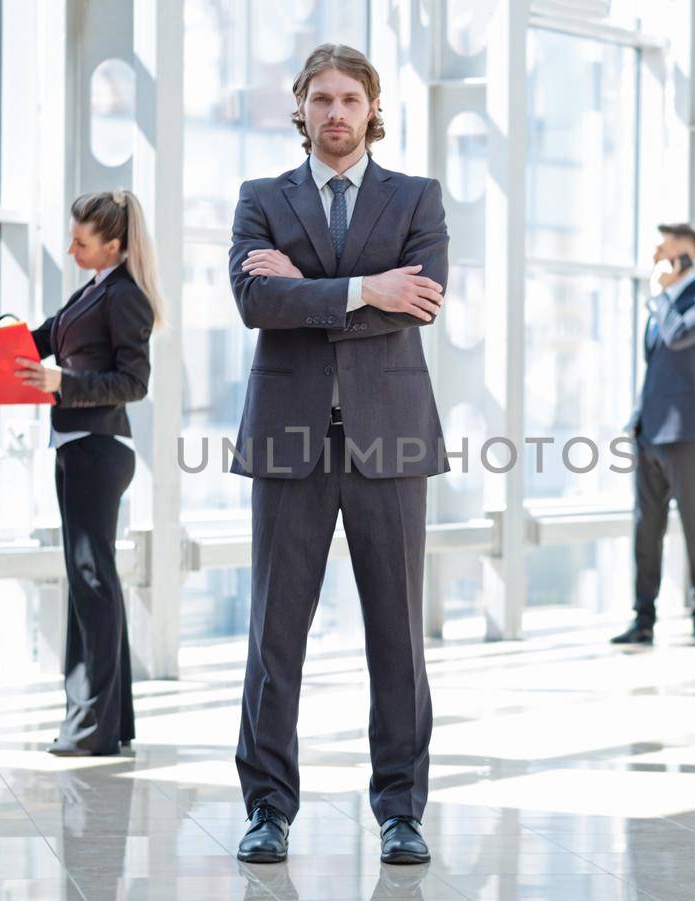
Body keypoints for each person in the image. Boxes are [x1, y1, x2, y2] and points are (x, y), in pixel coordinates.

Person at [228, 43, 447, 866]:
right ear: (300, 107)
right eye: (320, 98)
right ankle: (268, 809)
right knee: (274, 635)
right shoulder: (261, 198)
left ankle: (400, 809)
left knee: (397, 637)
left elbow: (418, 302)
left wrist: (309, 288)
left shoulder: (417, 198)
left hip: (391, 436)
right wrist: (364, 286)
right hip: (289, 437)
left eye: (349, 98)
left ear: (372, 107)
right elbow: (255, 300)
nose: (335, 113)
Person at [14, 191, 158, 755]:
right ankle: (105, 722)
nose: (71, 249)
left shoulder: (126, 298)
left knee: (92, 581)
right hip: (77, 446)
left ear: (114, 246)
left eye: (81, 242)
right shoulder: (91, 291)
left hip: (98, 449)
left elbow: (134, 382)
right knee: (90, 581)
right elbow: (42, 338)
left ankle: (92, 726)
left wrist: (62, 385)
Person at [614, 223, 695, 647]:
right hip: (649, 432)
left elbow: (679, 338)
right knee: (646, 529)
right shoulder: (660, 307)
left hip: (687, 432)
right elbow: (655, 368)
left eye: (666, 248)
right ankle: (643, 619)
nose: (657, 253)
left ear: (686, 254)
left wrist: (662, 295)